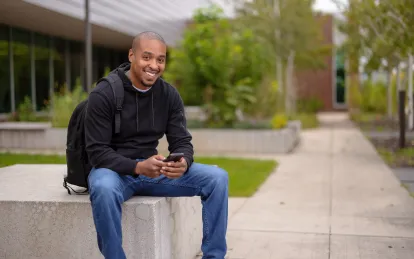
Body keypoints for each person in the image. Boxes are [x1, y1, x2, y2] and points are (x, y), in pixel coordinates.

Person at [84, 31, 229, 259]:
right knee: (102, 188)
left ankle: (214, 256)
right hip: (113, 172)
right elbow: (97, 153)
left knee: (218, 178)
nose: (154, 65)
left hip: (154, 171)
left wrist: (183, 161)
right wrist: (138, 167)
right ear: (132, 55)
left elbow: (181, 141)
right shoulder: (104, 94)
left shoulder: (169, 95)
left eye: (160, 59)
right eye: (147, 57)